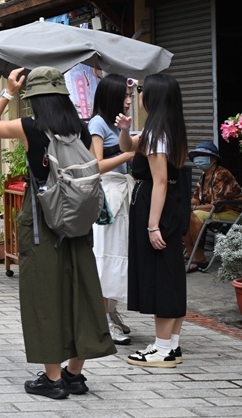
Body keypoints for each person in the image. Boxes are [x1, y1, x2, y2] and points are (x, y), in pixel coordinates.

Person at [0, 67, 115, 399]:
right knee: (83, 293)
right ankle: (75, 375)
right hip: (80, 227)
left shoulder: (30, 127)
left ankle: (52, 380)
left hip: (42, 223)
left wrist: (8, 92)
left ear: (35, 100)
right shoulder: (82, 131)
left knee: (44, 296)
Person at [116, 73, 190, 368]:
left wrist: (152, 225)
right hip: (168, 208)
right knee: (171, 275)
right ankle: (170, 345)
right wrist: (124, 129)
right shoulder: (164, 130)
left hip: (158, 209)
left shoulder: (158, 135)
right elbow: (126, 147)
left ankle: (162, 350)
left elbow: (160, 182)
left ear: (154, 98)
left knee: (163, 278)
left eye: (144, 91)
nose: (140, 96)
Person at [88, 74, 137, 345]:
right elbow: (95, 165)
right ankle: (103, 318)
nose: (129, 101)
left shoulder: (119, 123)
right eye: (125, 97)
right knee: (106, 254)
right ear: (112, 98)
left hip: (122, 192)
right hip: (107, 195)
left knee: (118, 253)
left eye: (130, 97)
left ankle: (112, 311)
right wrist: (128, 154)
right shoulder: (97, 123)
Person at [182, 141, 242, 271]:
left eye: (202, 155)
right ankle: (191, 252)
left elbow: (218, 205)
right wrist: (183, 203)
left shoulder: (221, 174)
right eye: (197, 155)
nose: (198, 158)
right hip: (214, 210)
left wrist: (193, 208)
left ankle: (199, 257)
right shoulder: (203, 177)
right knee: (180, 213)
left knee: (195, 215)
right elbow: (196, 199)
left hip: (230, 211)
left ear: (214, 159)